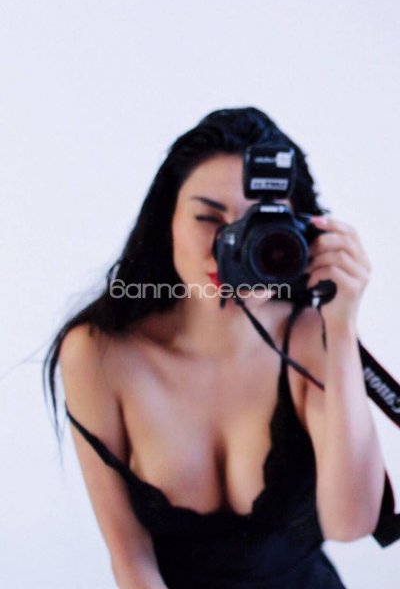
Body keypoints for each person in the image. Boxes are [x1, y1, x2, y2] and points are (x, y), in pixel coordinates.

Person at [44, 107, 392, 588]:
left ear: (300, 234)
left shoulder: (312, 337)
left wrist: (342, 324)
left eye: (258, 224)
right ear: (167, 220)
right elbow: (131, 559)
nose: (229, 244)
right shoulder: (99, 354)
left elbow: (350, 523)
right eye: (209, 217)